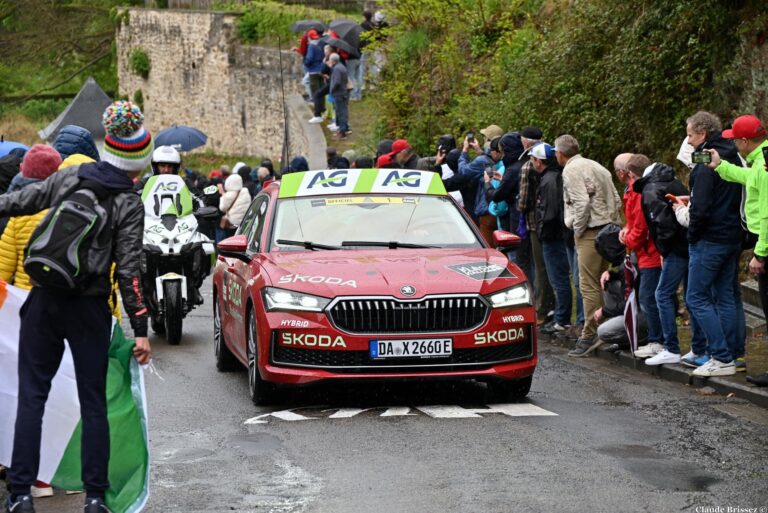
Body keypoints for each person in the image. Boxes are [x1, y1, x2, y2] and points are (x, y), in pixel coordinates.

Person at [0, 100, 152, 513]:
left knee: (32, 396)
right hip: (89, 308)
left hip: (44, 298)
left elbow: (19, 202)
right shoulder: (129, 202)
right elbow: (131, 272)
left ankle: (18, 495)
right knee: (93, 403)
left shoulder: (70, 177)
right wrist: (140, 329)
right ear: (139, 159)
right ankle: (96, 497)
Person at [706, 114, 768, 385]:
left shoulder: (764, 164)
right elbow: (747, 177)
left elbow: (767, 213)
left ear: (744, 141)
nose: (734, 145)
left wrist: (761, 253)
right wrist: (720, 167)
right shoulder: (760, 161)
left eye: (735, 140)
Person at [682, 111, 745, 377]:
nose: (687, 141)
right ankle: (732, 354)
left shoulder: (707, 161)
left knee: (695, 296)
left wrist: (693, 234)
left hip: (710, 238)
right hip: (732, 235)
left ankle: (720, 356)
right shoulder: (734, 155)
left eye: (689, 135)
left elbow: (701, 206)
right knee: (726, 296)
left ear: (703, 134)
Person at [556, 134, 622, 357]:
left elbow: (581, 202)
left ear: (560, 154)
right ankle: (606, 330)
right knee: (604, 281)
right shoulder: (597, 166)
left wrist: (577, 228)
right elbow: (616, 197)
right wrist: (613, 223)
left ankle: (589, 334)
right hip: (609, 229)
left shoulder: (571, 169)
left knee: (588, 284)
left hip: (590, 231)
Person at [618, 154, 664, 360]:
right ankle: (656, 339)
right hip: (644, 252)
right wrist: (626, 229)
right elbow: (633, 221)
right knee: (648, 296)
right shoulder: (632, 192)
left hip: (650, 253)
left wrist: (628, 239)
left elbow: (642, 226)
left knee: (649, 296)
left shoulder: (639, 192)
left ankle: (658, 340)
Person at [530, 142, 573, 333]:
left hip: (553, 236)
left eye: (532, 159)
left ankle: (562, 318)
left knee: (559, 279)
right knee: (559, 278)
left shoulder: (549, 181)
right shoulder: (553, 177)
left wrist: (541, 230)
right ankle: (559, 315)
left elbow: (550, 212)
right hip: (556, 235)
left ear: (539, 162)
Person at [517, 127, 555, 325]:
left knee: (540, 267)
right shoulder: (553, 157)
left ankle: (542, 308)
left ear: (525, 142)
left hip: (534, 221)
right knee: (552, 266)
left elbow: (523, 202)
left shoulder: (527, 166)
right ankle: (552, 305)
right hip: (553, 219)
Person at [458, 134, 504, 245]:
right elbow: (491, 160)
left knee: (488, 247)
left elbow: (463, 171)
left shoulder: (483, 161)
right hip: (501, 210)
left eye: (485, 138)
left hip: (487, 210)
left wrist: (464, 151)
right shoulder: (505, 161)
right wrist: (479, 151)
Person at [217, 173, 252, 243]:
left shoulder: (228, 195)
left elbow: (222, 208)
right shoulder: (245, 192)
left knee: (231, 241)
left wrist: (222, 196)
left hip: (231, 223)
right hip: (243, 222)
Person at [328, 53, 350, 138]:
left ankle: (342, 131)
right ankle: (345, 128)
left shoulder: (336, 69)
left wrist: (332, 89)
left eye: (330, 60)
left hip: (338, 93)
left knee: (341, 112)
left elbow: (337, 81)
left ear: (333, 61)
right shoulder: (341, 66)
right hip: (343, 92)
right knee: (343, 111)